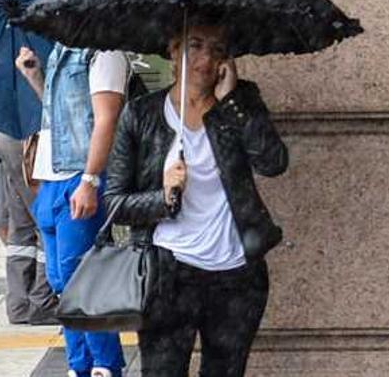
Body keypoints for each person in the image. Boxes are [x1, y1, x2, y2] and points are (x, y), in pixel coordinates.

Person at [104, 23, 289, 377]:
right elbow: (114, 202)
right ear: (173, 50)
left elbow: (274, 163)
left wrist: (231, 102)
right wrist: (163, 196)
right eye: (195, 45)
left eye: (217, 49)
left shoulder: (241, 101)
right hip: (167, 273)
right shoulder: (141, 114)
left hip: (236, 275)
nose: (205, 58)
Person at [16, 0, 127, 377]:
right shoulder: (64, 48)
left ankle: (105, 365)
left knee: (84, 282)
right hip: (51, 180)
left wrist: (91, 179)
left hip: (79, 180)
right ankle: (79, 366)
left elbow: (105, 120)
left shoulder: (104, 52)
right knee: (63, 284)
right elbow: (62, 114)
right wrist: (35, 77)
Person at [0, 130, 59, 325]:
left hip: (8, 138)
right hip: (33, 143)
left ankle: (19, 303)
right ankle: (43, 300)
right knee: (47, 225)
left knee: (21, 228)